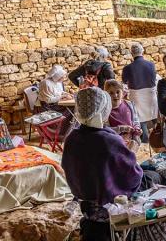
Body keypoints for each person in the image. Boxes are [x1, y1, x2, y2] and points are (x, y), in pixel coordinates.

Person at [62, 87, 147, 241]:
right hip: (110, 205)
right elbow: (133, 176)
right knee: (150, 176)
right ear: (103, 108)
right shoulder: (109, 141)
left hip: (86, 205)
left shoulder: (72, 138)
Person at [122, 43, 158, 143]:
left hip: (136, 94)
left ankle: (145, 139)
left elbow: (124, 81)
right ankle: (159, 136)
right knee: (154, 115)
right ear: (142, 51)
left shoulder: (127, 68)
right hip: (150, 93)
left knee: (140, 118)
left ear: (132, 53)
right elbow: (154, 78)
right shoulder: (151, 64)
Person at [104, 80, 142, 153]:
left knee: (130, 158)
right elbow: (105, 130)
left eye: (118, 92)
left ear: (123, 92)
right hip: (115, 145)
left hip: (132, 141)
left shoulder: (129, 104)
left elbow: (135, 121)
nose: (115, 95)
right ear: (106, 94)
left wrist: (137, 130)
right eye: (111, 93)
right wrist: (121, 129)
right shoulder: (106, 110)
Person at [38, 65, 75, 138]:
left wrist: (66, 94)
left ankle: (67, 132)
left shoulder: (58, 82)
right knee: (72, 110)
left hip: (55, 104)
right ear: (57, 77)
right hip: (47, 107)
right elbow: (48, 100)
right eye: (62, 77)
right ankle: (60, 133)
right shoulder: (45, 83)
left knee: (74, 108)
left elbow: (59, 92)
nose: (63, 79)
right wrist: (62, 97)